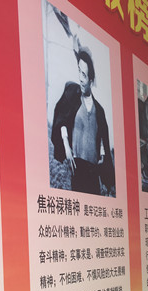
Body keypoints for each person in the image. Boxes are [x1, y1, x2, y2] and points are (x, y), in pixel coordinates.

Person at [51, 46, 115, 196]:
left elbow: (102, 137)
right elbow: (62, 120)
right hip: (77, 165)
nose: (80, 78)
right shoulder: (73, 97)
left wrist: (102, 157)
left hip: (93, 168)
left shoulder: (99, 110)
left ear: (91, 81)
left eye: (84, 75)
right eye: (79, 71)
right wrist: (66, 147)